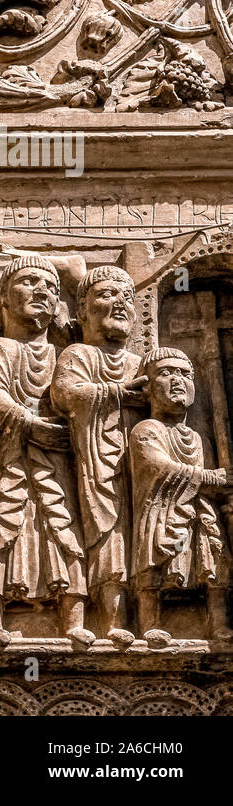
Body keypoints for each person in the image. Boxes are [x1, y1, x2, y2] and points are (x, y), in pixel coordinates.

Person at [0, 257, 89, 647]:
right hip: (9, 457)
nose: (42, 290)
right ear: (3, 298)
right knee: (1, 524)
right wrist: (30, 423)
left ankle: (73, 618)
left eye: (51, 288)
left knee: (63, 528)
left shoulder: (65, 356)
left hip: (57, 461)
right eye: (28, 281)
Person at [52, 265, 146, 649]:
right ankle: (111, 619)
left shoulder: (142, 363)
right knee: (106, 531)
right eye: (106, 294)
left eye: (127, 297)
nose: (119, 302)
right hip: (92, 461)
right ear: (83, 314)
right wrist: (120, 393)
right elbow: (64, 394)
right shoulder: (78, 354)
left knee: (139, 534)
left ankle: (146, 612)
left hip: (140, 465)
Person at [129, 347, 233, 647]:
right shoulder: (146, 429)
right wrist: (209, 478)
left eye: (185, 374)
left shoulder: (198, 437)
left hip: (198, 509)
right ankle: (150, 623)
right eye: (166, 373)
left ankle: (219, 624)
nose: (178, 380)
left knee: (212, 560)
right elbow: (159, 468)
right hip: (162, 510)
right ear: (146, 387)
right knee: (152, 565)